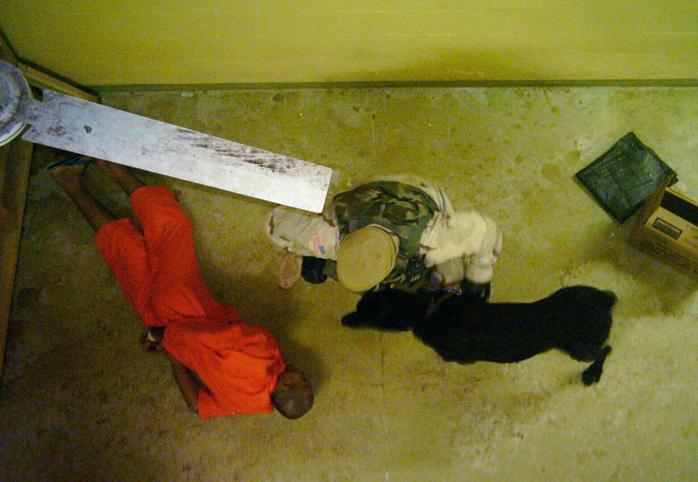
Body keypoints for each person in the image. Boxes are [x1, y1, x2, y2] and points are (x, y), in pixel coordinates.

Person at [49, 152, 313, 420]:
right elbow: (196, 405)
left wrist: (165, 335)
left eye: (302, 378)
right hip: (154, 319)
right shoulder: (247, 405)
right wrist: (172, 353)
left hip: (182, 303)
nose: (302, 372)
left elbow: (208, 335)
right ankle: (69, 181)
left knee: (171, 228)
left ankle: (111, 164)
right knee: (123, 247)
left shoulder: (265, 351)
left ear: (287, 384)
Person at [267, 177, 503, 297]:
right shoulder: (328, 237)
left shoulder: (433, 238)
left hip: (421, 192)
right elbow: (275, 221)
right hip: (369, 189)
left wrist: (477, 278)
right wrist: (300, 251)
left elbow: (487, 230)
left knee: (452, 277)